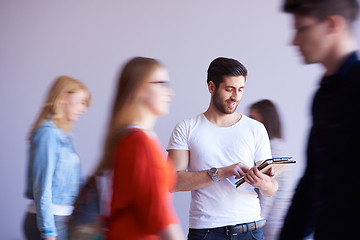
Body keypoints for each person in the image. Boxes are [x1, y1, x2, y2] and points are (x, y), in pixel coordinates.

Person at [167, 57, 278, 240]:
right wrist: (221, 172)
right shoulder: (186, 128)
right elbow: (171, 181)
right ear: (211, 87)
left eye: (240, 89)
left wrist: (261, 182)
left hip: (250, 230)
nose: (236, 96)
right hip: (206, 232)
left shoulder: (256, 128)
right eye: (229, 89)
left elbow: (272, 188)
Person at [280, 0, 360, 239]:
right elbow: (313, 180)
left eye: (302, 28)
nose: (293, 40)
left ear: (332, 24)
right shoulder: (323, 95)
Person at [94, 57, 185, 240]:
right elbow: (159, 215)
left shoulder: (135, 139)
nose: (170, 93)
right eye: (162, 84)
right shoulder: (138, 143)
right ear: (140, 87)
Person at [23, 76, 91, 240]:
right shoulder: (48, 133)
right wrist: (48, 232)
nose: (84, 109)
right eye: (80, 101)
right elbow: (42, 187)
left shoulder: (63, 135)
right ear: (63, 97)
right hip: (51, 221)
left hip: (62, 220)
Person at [249, 99, 294, 240]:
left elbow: (267, 193)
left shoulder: (270, 149)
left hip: (271, 225)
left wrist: (255, 224)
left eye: (253, 118)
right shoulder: (280, 145)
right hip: (282, 220)